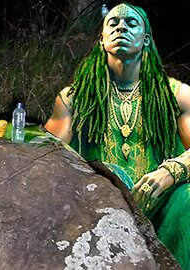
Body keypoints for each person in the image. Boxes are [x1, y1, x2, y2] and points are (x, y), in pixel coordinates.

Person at [45, 2, 190, 269]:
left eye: (131, 23)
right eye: (112, 23)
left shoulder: (177, 95)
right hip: (99, 209)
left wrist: (172, 170)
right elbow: (46, 155)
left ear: (146, 39)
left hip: (163, 207)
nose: (121, 26)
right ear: (101, 40)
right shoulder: (74, 98)